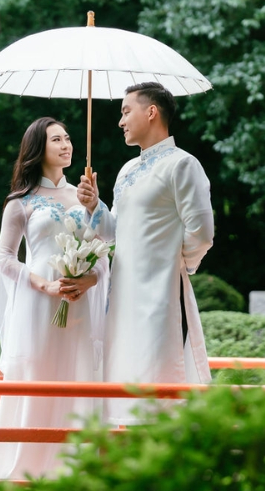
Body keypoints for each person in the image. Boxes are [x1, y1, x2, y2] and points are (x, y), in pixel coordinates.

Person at [77, 82, 215, 425]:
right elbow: (115, 233)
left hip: (160, 296)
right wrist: (95, 206)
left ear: (151, 112)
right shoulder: (126, 171)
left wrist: (173, 263)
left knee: (159, 381)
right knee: (123, 377)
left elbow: (202, 232)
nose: (121, 121)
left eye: (126, 111)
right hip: (122, 297)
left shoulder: (182, 165)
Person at [0, 116, 108, 479]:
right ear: (38, 148)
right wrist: (45, 285)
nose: (66, 144)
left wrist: (89, 279)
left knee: (78, 374)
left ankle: (74, 470)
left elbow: (104, 248)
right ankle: (26, 471)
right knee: (37, 375)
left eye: (68, 138)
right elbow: (5, 259)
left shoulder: (84, 198)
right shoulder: (20, 202)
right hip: (38, 303)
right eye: (57, 139)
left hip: (79, 302)